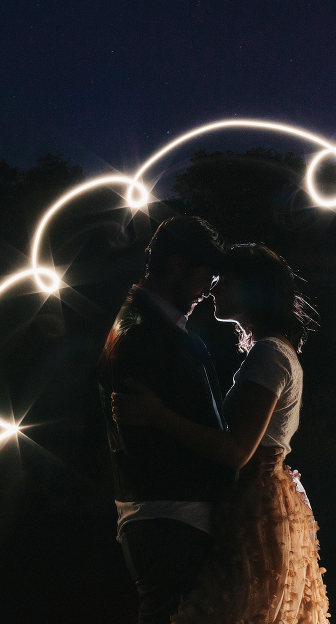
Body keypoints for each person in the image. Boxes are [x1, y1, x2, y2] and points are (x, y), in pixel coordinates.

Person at [112, 243, 330, 623]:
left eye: (224, 281)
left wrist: (157, 415)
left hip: (255, 504)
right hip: (256, 500)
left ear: (253, 289)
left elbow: (237, 451)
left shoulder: (269, 354)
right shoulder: (272, 351)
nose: (212, 289)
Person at [97, 216, 239, 624]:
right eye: (204, 277)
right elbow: (149, 438)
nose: (206, 291)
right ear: (177, 266)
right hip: (172, 519)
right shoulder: (147, 335)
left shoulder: (142, 325)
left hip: (163, 517)